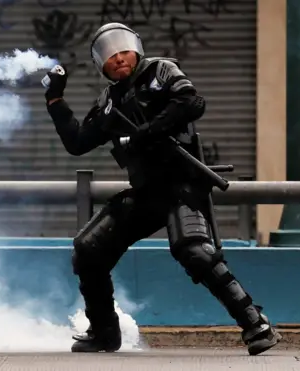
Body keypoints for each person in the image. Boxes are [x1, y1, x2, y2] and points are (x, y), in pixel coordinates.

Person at [43, 22, 282, 356]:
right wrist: (55, 100)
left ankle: (256, 323)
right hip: (146, 192)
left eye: (123, 48)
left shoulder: (161, 71)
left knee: (194, 251)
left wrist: (149, 131)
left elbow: (192, 102)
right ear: (101, 65)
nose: (118, 57)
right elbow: (78, 142)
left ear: (136, 48)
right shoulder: (109, 103)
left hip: (183, 183)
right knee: (88, 250)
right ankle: (104, 332)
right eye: (109, 54)